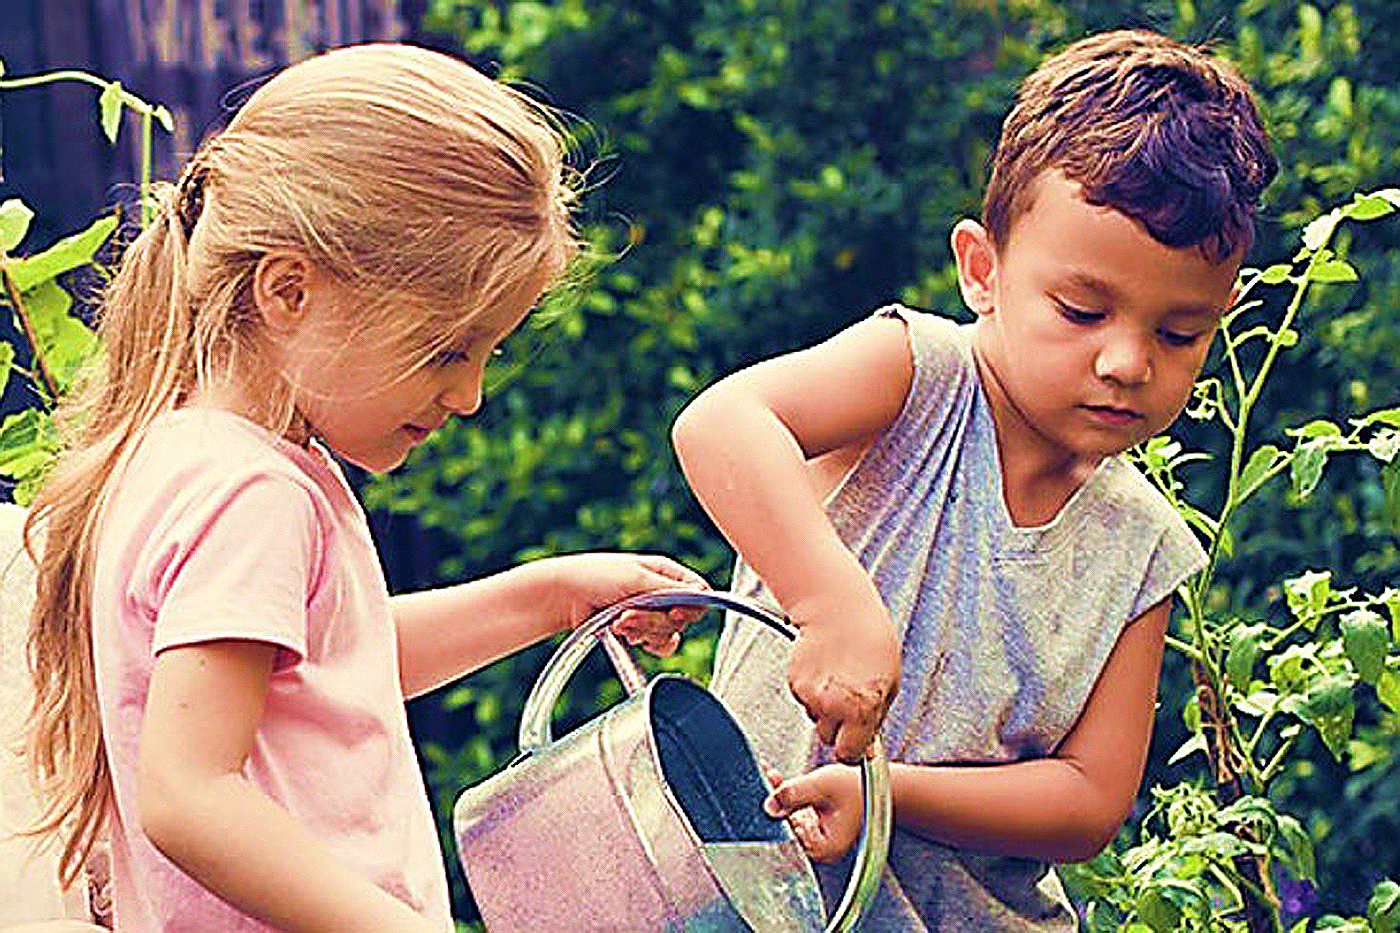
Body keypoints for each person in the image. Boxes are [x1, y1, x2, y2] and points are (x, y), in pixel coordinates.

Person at [20, 43, 709, 933]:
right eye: (445, 350)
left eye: (486, 351)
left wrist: (552, 594)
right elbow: (189, 796)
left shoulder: (192, 453)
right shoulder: (252, 495)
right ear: (289, 290)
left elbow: (321, 665)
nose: (469, 395)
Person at [671, 28, 1278, 931]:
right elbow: (721, 424)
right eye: (1081, 309)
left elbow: (1088, 798)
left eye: (1179, 333)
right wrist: (834, 602)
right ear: (982, 270)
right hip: (738, 900)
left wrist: (887, 795)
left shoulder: (1143, 547)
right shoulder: (915, 376)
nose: (1126, 360)